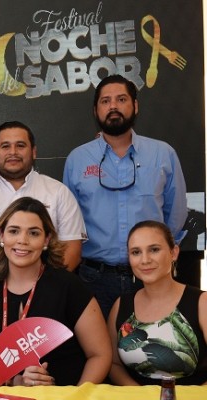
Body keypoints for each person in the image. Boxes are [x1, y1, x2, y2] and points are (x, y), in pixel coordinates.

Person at [63, 74, 188, 318]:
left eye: (121, 99)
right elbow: (68, 224)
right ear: (95, 110)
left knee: (153, 352)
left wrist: (155, 254)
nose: (113, 106)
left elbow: (176, 215)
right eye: (105, 101)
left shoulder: (163, 154)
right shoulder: (77, 160)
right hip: (94, 279)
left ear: (135, 106)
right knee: (100, 352)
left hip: (151, 276)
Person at [0, 197, 111, 386]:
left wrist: (76, 397)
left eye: (33, 233)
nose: (22, 240)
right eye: (14, 231)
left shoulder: (69, 287)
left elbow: (100, 355)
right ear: (2, 236)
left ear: (46, 240)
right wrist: (16, 383)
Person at [0, 121, 86, 286]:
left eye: (20, 145)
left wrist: (44, 290)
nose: (13, 152)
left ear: (34, 152)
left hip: (46, 295)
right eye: (5, 146)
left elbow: (72, 249)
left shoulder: (58, 192)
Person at [109, 220, 207, 385]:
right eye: (136, 252)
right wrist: (140, 395)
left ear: (173, 252)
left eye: (154, 249)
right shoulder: (121, 305)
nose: (145, 260)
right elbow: (113, 364)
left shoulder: (201, 302)